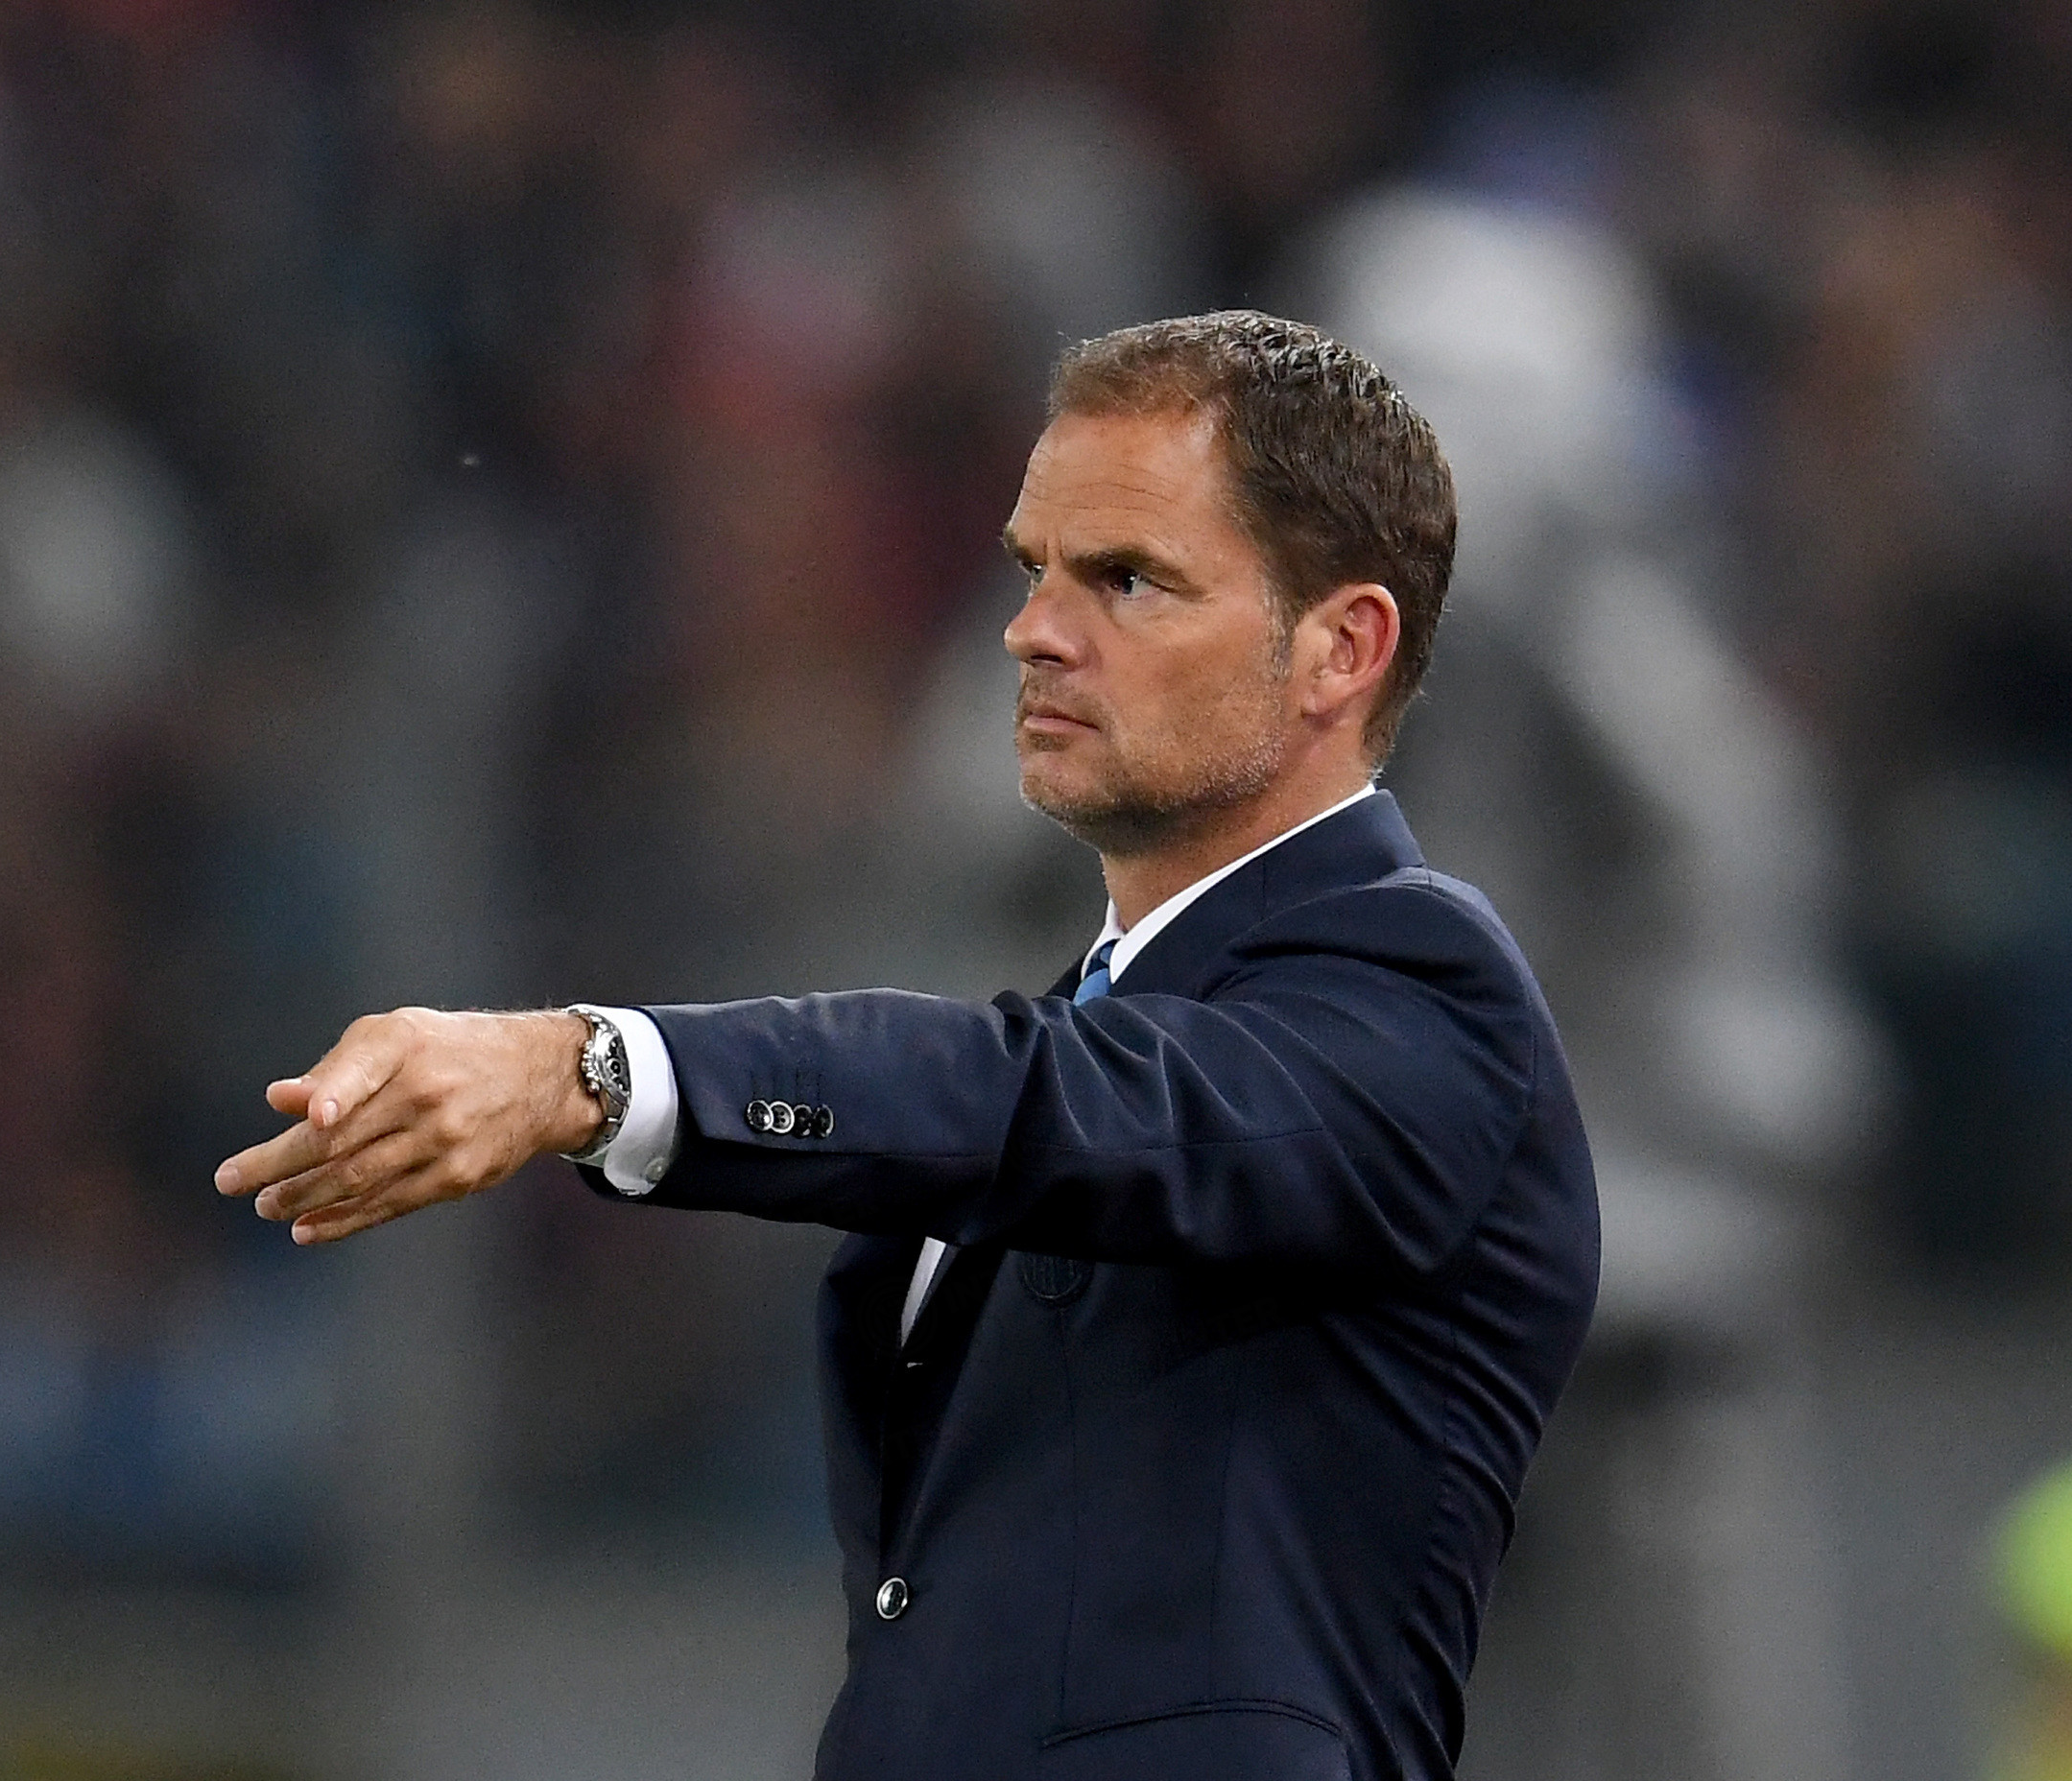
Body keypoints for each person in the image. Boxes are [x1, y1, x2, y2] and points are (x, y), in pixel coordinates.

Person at [216, 311, 1600, 1781]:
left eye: (1128, 580)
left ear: (1341, 648)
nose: (1034, 632)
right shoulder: (1104, 1028)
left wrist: (592, 1069)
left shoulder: (1426, 996)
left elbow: (1045, 1107)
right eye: (1033, 569)